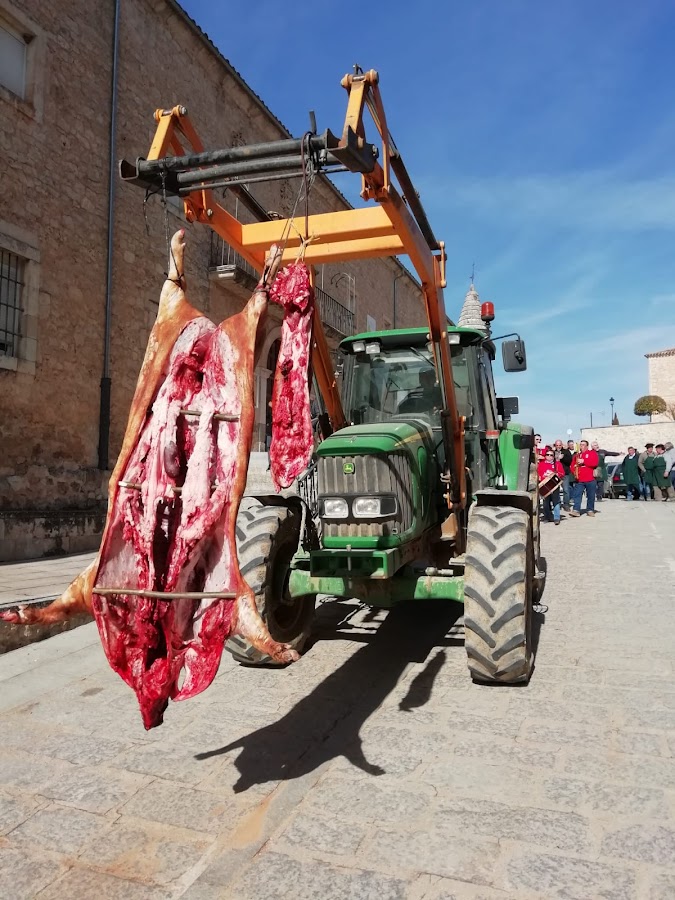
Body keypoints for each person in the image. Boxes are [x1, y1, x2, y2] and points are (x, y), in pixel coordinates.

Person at [569, 440, 599, 517]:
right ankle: (576, 510)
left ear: (587, 446)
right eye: (581, 445)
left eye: (583, 445)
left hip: (590, 479)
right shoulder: (577, 455)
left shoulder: (592, 453)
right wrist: (574, 472)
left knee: (591, 495)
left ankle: (590, 510)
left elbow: (595, 463)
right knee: (577, 495)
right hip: (580, 479)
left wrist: (584, 461)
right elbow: (572, 465)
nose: (581, 446)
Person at [537, 448, 565, 524]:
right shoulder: (541, 464)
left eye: (551, 455)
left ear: (553, 456)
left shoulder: (557, 464)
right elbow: (538, 474)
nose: (549, 456)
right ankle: (547, 516)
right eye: (547, 455)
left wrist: (554, 474)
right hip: (545, 485)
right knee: (546, 502)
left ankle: (556, 518)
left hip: (554, 485)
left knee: (556, 501)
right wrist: (542, 476)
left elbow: (562, 473)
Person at [559, 439, 575, 511]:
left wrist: (563, 458)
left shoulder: (565, 451)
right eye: (557, 445)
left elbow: (569, 461)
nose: (558, 446)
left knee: (566, 489)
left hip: (564, 473)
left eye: (560, 445)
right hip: (555, 474)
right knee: (554, 490)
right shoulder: (552, 452)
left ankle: (566, 504)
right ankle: (557, 504)